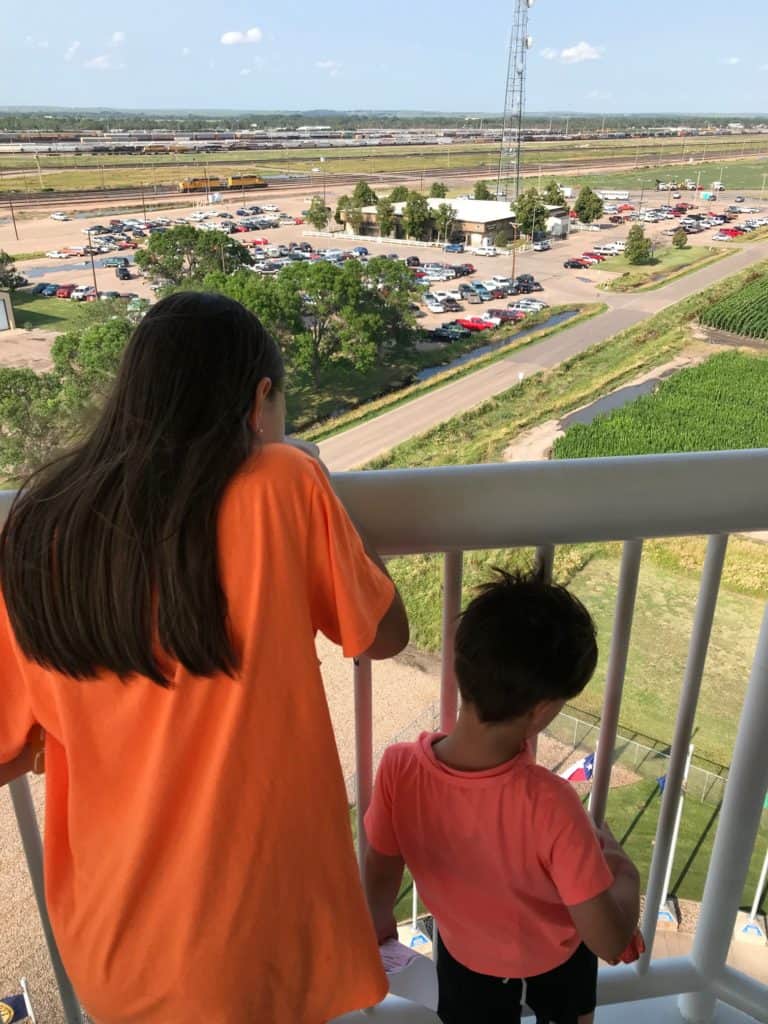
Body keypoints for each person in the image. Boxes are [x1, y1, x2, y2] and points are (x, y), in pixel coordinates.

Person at [0, 291, 409, 1024]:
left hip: (114, 949)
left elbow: (7, 748)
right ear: (260, 401)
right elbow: (383, 633)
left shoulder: (35, 528)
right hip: (259, 943)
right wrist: (310, 474)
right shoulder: (284, 482)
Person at [363, 569, 641, 1024]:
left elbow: (378, 873)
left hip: (464, 959)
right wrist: (624, 871)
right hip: (559, 963)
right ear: (543, 710)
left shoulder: (399, 768)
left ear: (460, 666)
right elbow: (609, 940)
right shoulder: (552, 805)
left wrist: (377, 925)